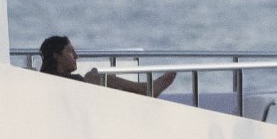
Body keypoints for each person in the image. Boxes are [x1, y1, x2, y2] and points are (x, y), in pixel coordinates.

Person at [39, 35, 176, 97]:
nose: (76, 56)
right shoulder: (75, 82)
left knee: (92, 77)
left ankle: (145, 89)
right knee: (93, 77)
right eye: (70, 52)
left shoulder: (40, 80)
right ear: (56, 55)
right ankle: (145, 89)